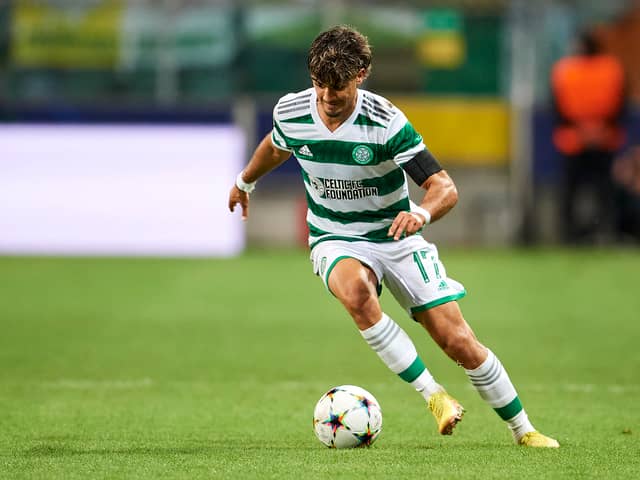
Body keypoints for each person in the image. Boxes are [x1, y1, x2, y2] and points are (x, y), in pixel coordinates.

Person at [229, 25, 559, 447]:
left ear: (361, 74)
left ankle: (524, 430)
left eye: (339, 87)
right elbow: (276, 147)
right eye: (320, 86)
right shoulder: (292, 112)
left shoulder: (385, 122)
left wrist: (420, 213)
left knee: (458, 341)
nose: (328, 97)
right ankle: (435, 397)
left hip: (397, 237)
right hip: (336, 235)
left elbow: (444, 187)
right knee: (356, 294)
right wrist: (245, 181)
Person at [551, 30, 627, 244]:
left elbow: (556, 107)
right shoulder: (612, 69)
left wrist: (583, 129)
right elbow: (621, 103)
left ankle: (572, 235)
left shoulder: (565, 70)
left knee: (577, 191)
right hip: (600, 137)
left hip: (576, 138)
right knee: (602, 191)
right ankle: (603, 233)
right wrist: (599, 128)